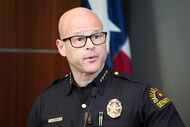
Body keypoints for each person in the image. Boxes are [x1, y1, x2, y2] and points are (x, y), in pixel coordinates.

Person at [28, 7, 185, 127]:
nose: (90, 45)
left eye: (96, 36)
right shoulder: (46, 102)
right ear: (61, 47)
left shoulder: (141, 96)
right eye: (79, 39)